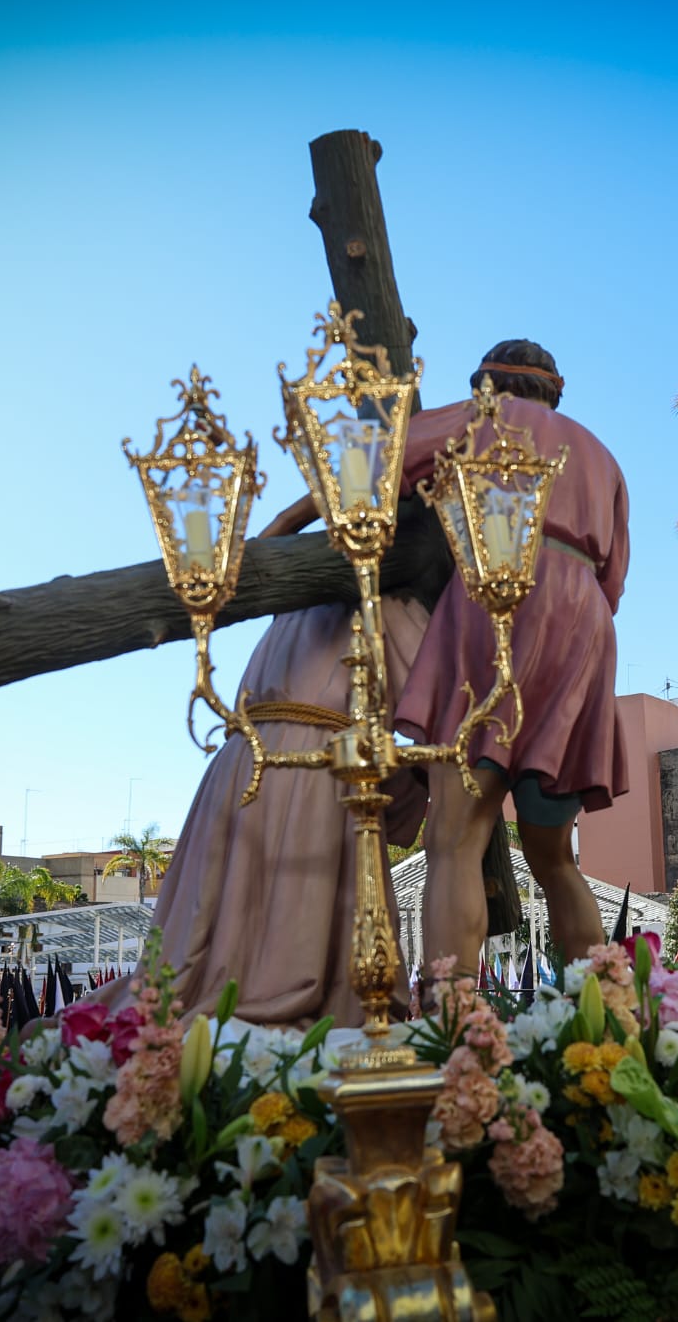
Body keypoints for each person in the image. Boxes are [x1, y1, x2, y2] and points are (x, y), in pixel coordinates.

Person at [127, 387, 479, 1028]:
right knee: (273, 950)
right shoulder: (358, 600)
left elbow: (259, 558)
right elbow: (423, 742)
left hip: (253, 766)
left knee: (234, 938)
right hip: (305, 776)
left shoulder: (342, 596)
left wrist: (304, 507)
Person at [397, 340, 629, 987]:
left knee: (454, 837)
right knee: (554, 856)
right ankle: (607, 1014)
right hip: (585, 618)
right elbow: (615, 581)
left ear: (490, 384)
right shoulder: (602, 456)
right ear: (553, 390)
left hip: (495, 595)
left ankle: (453, 1012)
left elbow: (377, 466)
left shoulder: (480, 418)